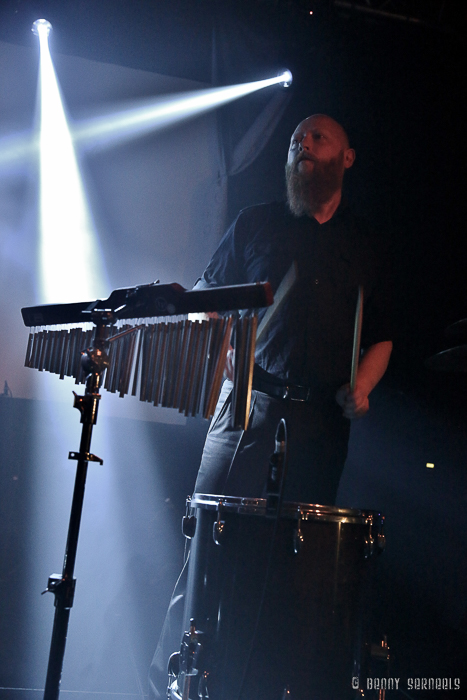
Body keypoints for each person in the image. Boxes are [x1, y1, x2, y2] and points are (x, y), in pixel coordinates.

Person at [148, 113, 392, 698]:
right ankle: (170, 683)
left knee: (294, 565)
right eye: (295, 139)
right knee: (206, 540)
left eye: (317, 137)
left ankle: (262, 682)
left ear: (346, 158)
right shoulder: (255, 223)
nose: (301, 144)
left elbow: (382, 336)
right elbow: (208, 300)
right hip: (246, 410)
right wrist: (220, 336)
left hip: (321, 423)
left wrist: (362, 386)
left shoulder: (364, 242)